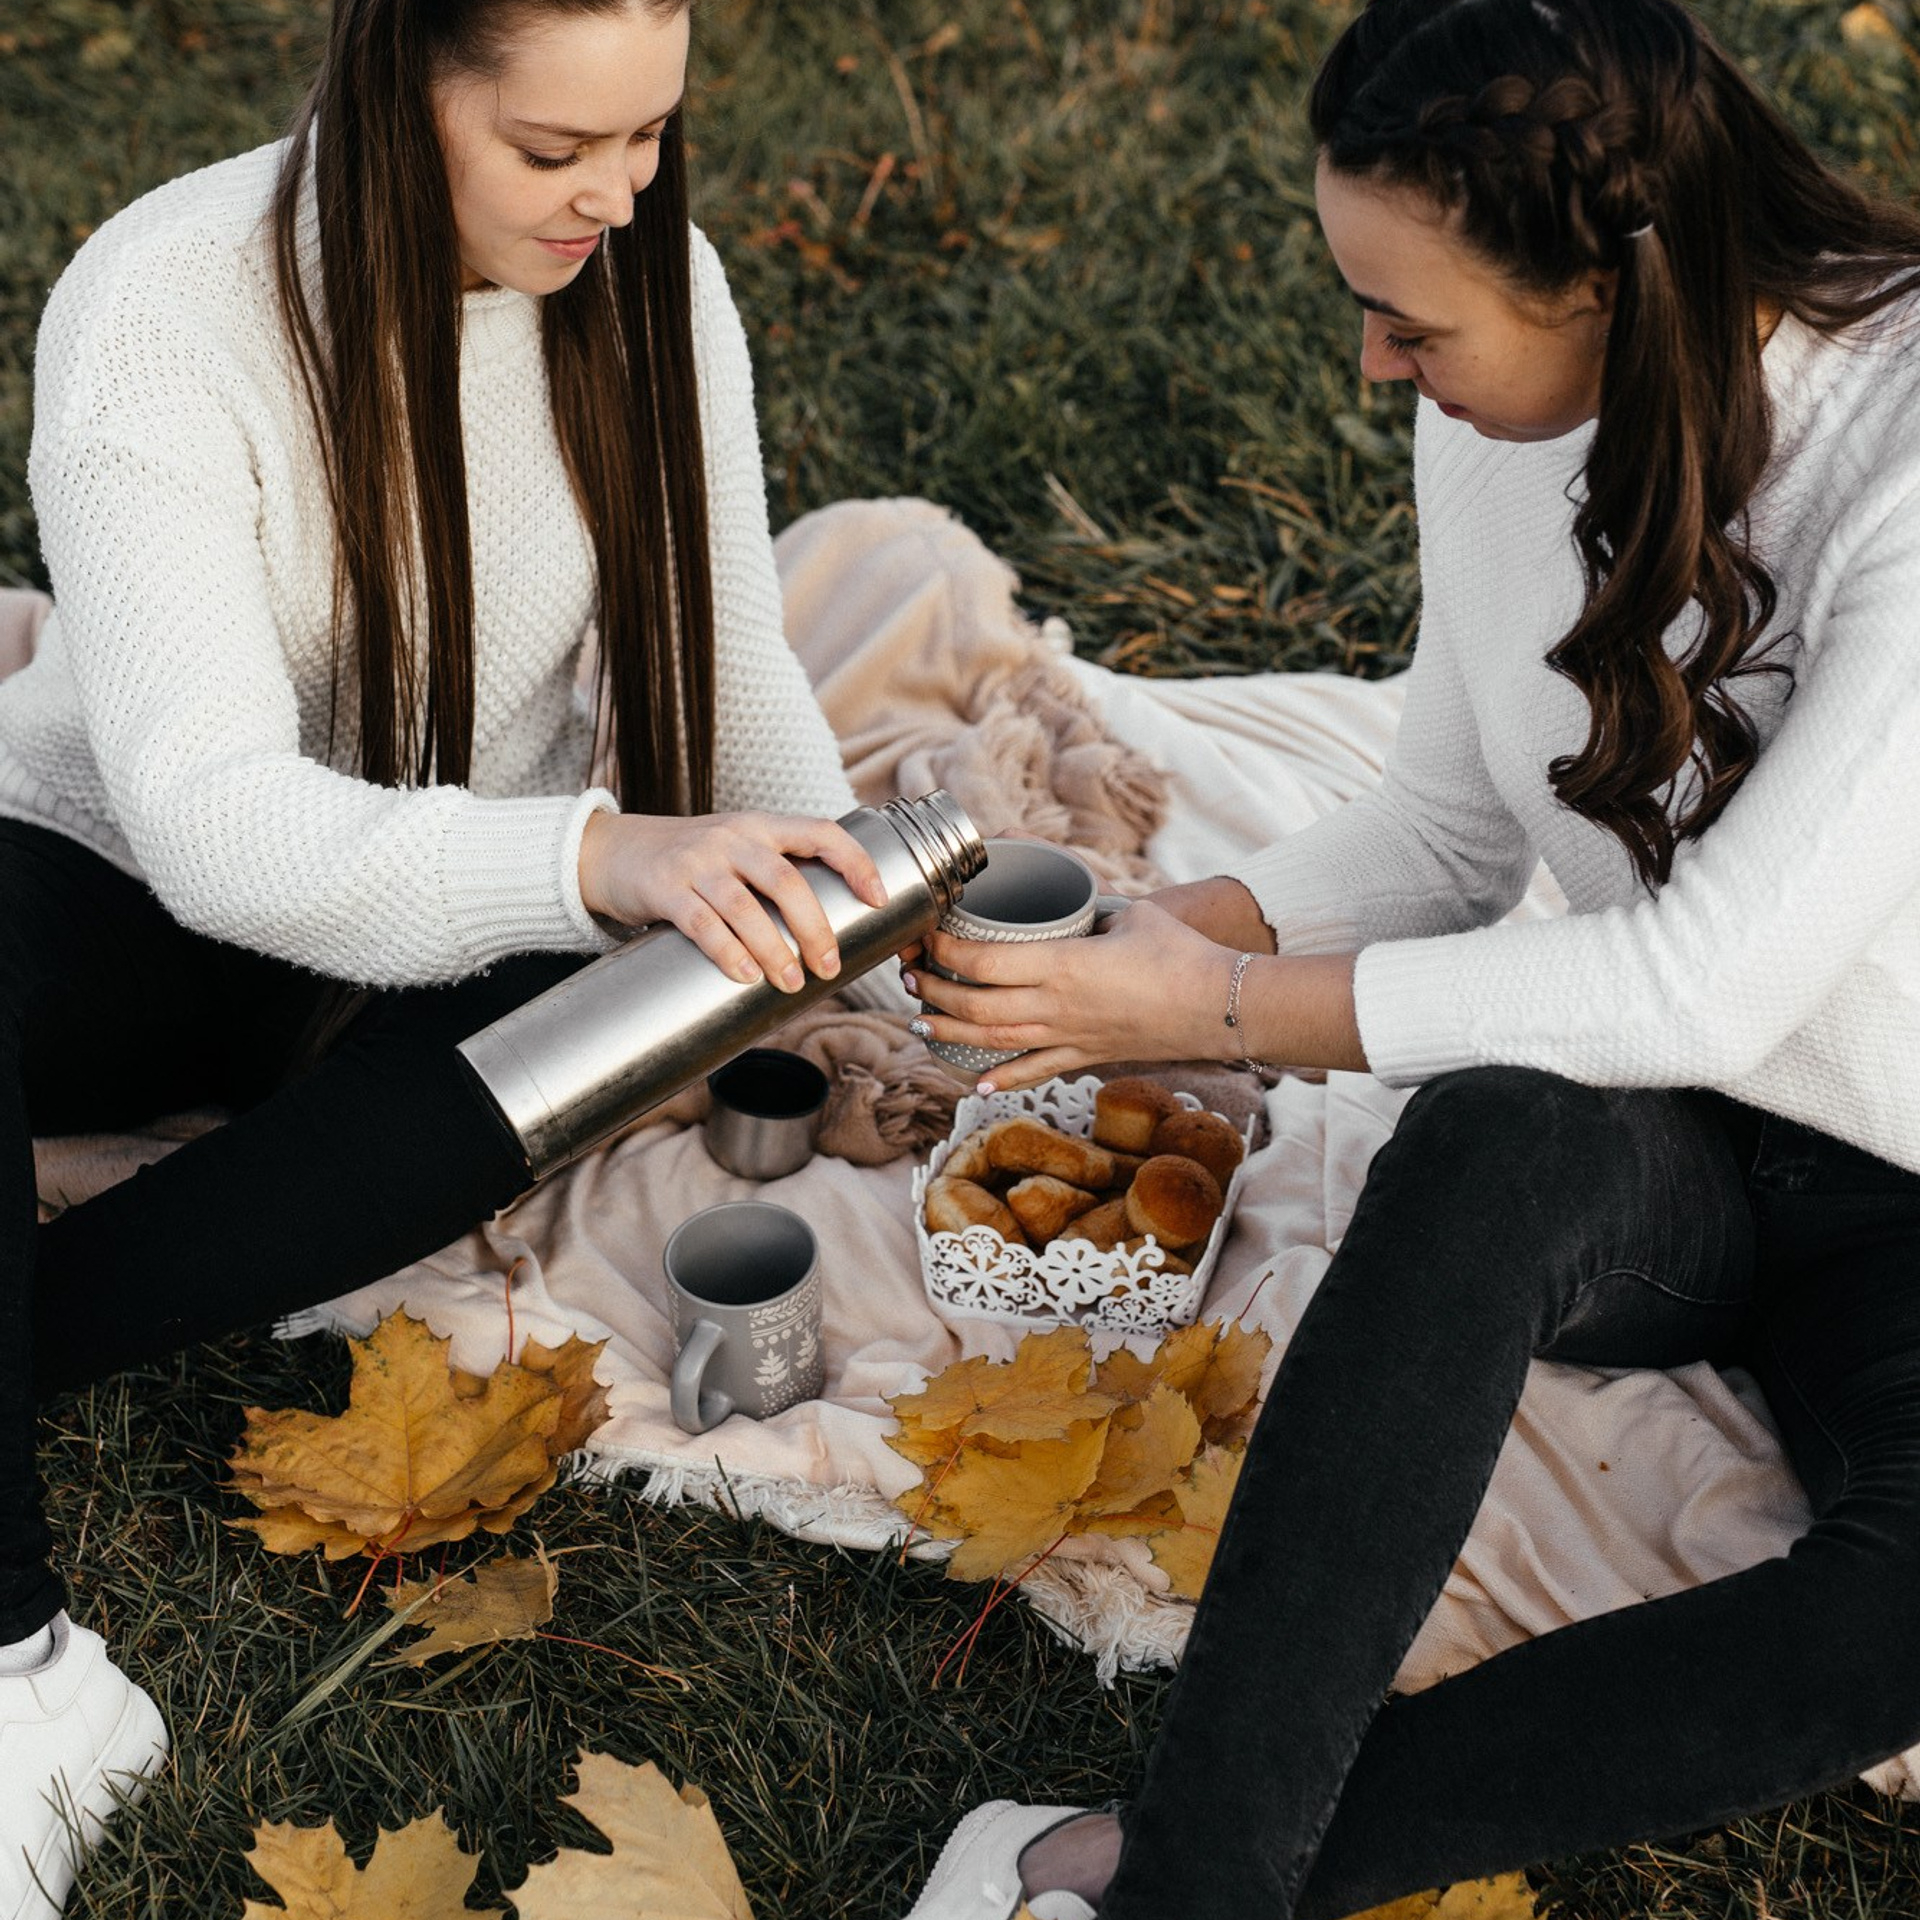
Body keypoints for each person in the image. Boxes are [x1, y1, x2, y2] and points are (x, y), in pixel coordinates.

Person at [897, 0, 1920, 1914]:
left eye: (1417, 325)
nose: (1377, 369)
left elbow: (1715, 978)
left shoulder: (1906, 452)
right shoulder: (1498, 427)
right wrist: (1140, 948)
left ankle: (1149, 1872)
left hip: (1902, 1168)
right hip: (1676, 1134)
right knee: (1485, 1140)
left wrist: (1212, 1011)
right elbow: (1449, 839)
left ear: (1617, 290)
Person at [0, 2, 897, 1911]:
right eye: (558, 150)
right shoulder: (166, 306)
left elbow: (734, 685)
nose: (621, 193)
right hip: (122, 891)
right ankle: (22, 1676)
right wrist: (601, 849)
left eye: (652, 135)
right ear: (396, 91)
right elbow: (218, 827)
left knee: (668, 981)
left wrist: (875, 927)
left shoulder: (658, 281)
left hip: (454, 922)